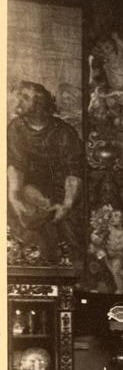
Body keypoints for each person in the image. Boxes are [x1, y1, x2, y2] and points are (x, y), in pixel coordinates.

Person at [7, 81, 83, 267]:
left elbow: (74, 171)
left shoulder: (64, 131)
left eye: (25, 98)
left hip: (61, 190)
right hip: (27, 187)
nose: (18, 101)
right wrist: (15, 197)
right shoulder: (16, 128)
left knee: (68, 229)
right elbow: (16, 165)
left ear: (39, 103)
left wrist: (67, 204)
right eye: (19, 97)